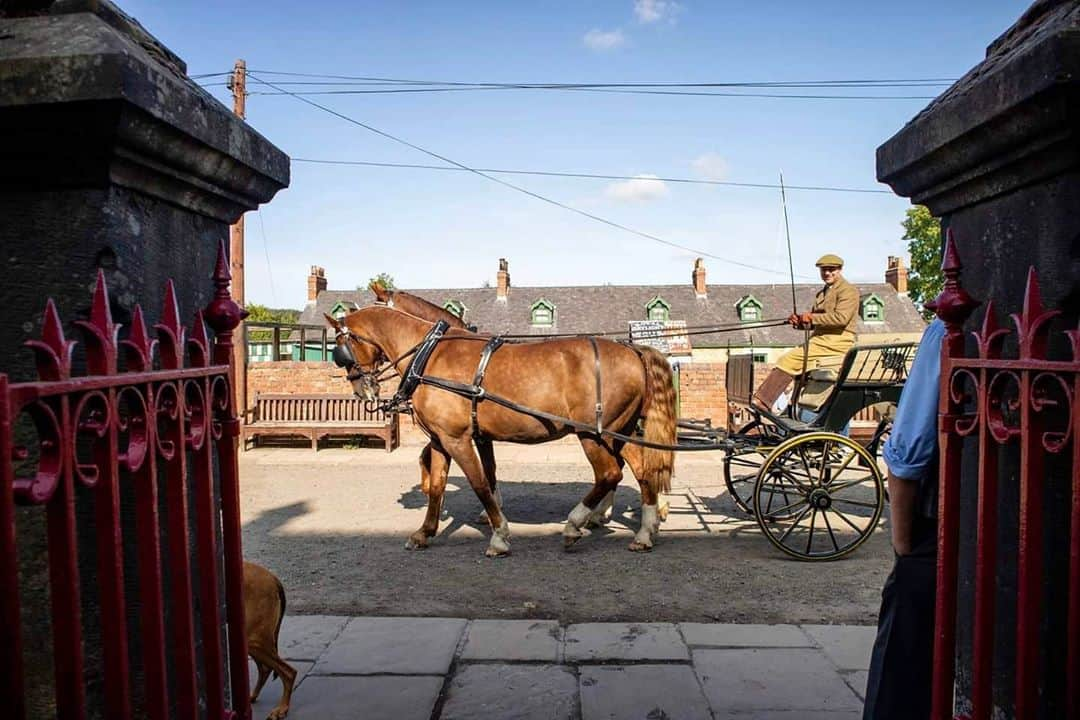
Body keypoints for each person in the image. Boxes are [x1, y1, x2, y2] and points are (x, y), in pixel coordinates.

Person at [862, 317, 946, 720]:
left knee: (900, 666)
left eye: (830, 270)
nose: (826, 275)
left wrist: (903, 543)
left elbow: (907, 454)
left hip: (937, 531)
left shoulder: (947, 327)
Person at [754, 253, 861, 411]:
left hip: (838, 341)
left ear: (840, 270)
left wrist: (811, 317)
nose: (827, 273)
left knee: (788, 360)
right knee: (798, 370)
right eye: (823, 270)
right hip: (821, 339)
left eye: (831, 269)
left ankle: (763, 402)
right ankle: (793, 408)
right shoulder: (822, 293)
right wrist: (799, 322)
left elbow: (841, 318)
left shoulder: (848, 291)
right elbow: (817, 322)